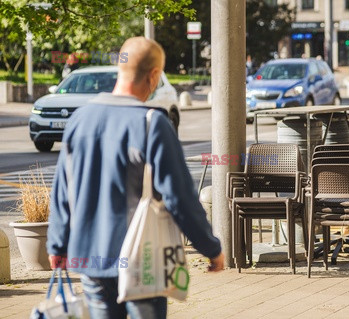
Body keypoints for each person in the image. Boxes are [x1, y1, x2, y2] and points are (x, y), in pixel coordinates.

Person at [47, 37, 224, 319]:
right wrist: (210, 248)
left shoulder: (79, 120)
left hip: (90, 257)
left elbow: (62, 190)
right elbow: (179, 196)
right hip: (142, 257)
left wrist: (57, 245)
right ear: (154, 75)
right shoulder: (152, 124)